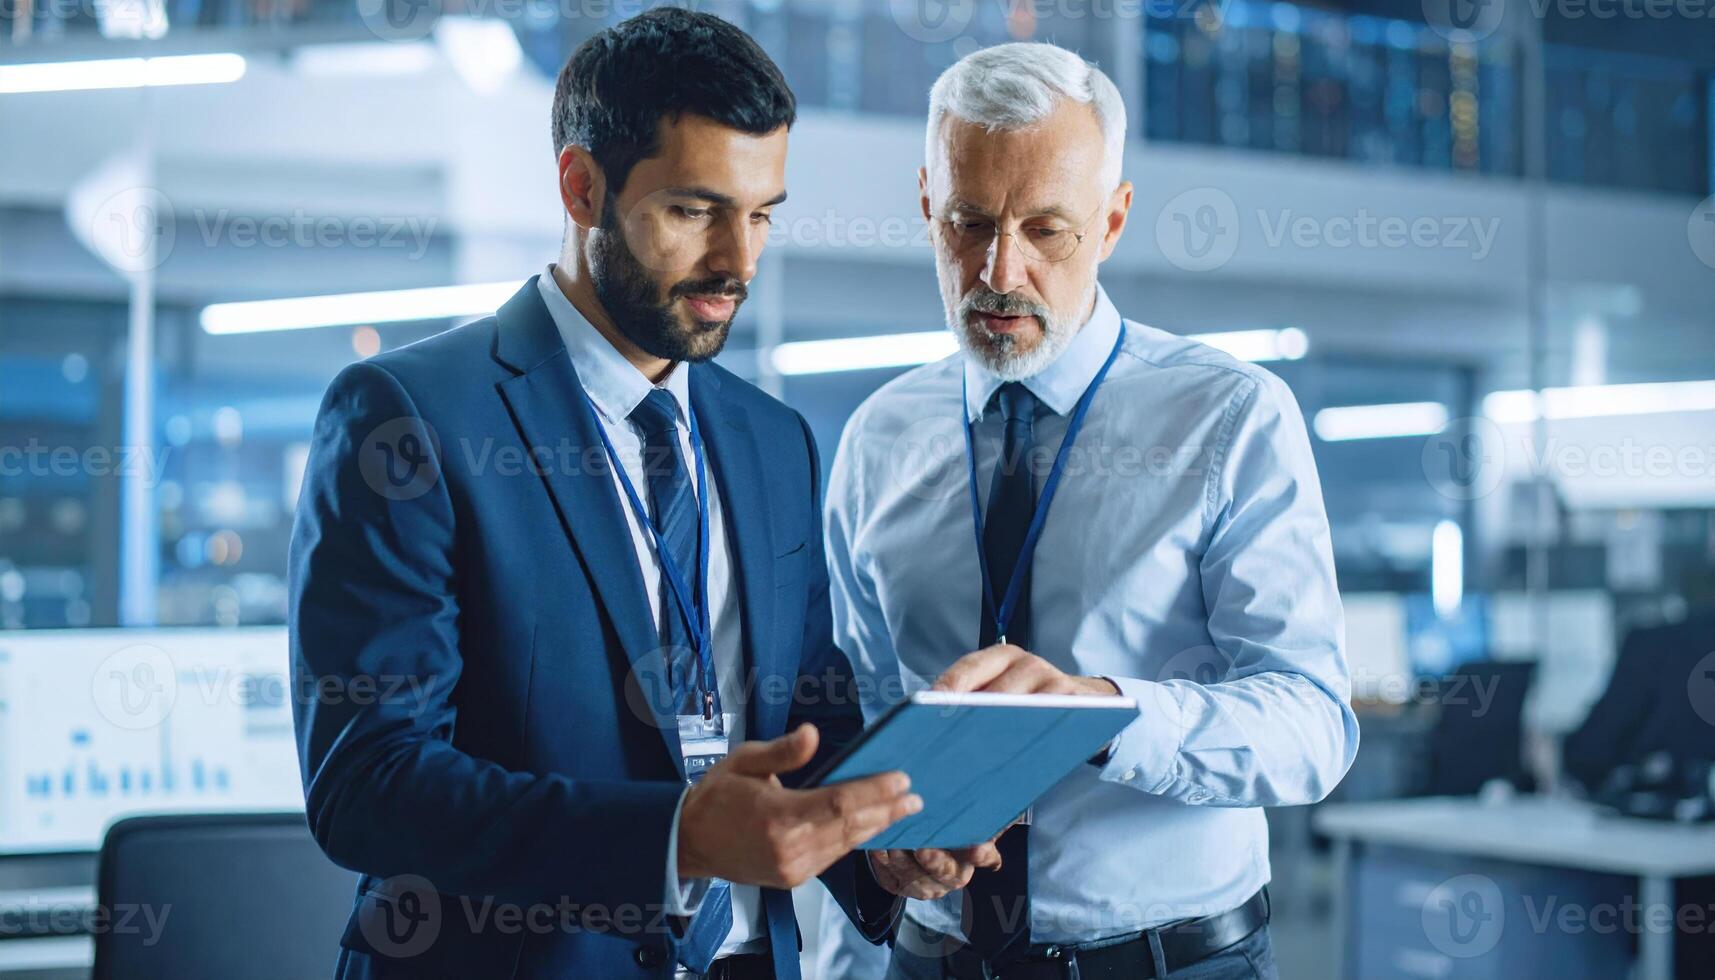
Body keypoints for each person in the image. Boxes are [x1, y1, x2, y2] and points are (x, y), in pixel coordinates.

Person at [289, 10, 911, 979]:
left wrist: (883, 841)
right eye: (693, 210)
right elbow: (368, 781)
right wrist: (675, 837)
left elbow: (803, 709)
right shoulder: (409, 415)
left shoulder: (774, 440)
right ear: (582, 187)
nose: (737, 262)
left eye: (759, 214)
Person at [824, 42, 1360, 979]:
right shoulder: (878, 436)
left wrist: (1103, 715)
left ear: (1110, 222)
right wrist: (879, 828)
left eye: (1047, 231)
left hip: (1168, 963)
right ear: (924, 203)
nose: (1000, 271)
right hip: (930, 959)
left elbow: (1312, 723)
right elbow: (860, 707)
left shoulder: (1227, 416)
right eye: (968, 222)